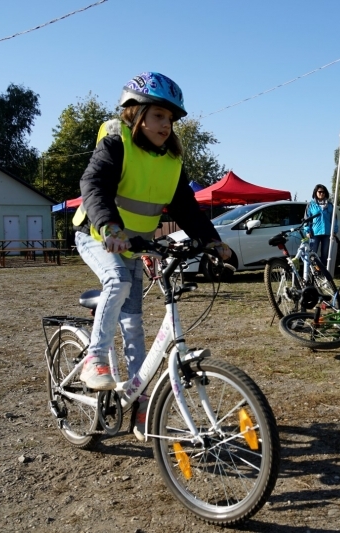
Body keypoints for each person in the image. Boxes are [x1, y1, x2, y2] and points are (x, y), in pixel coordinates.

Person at [71, 72, 231, 439]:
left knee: (134, 326)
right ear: (136, 114)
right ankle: (94, 359)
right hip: (98, 234)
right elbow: (93, 186)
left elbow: (187, 209)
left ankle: (141, 404)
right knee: (118, 281)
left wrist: (212, 242)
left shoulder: (171, 161)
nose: (166, 125)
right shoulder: (116, 143)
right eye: (159, 116)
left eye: (170, 119)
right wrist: (110, 227)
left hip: (133, 244)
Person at [304, 184, 339, 267]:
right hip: (314, 234)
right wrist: (307, 231)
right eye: (319, 192)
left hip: (327, 234)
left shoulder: (330, 205)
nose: (321, 193)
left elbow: (334, 219)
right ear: (315, 193)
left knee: (325, 254)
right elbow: (306, 219)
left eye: (323, 192)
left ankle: (323, 273)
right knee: (312, 254)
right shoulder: (311, 205)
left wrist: (334, 231)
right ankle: (311, 273)